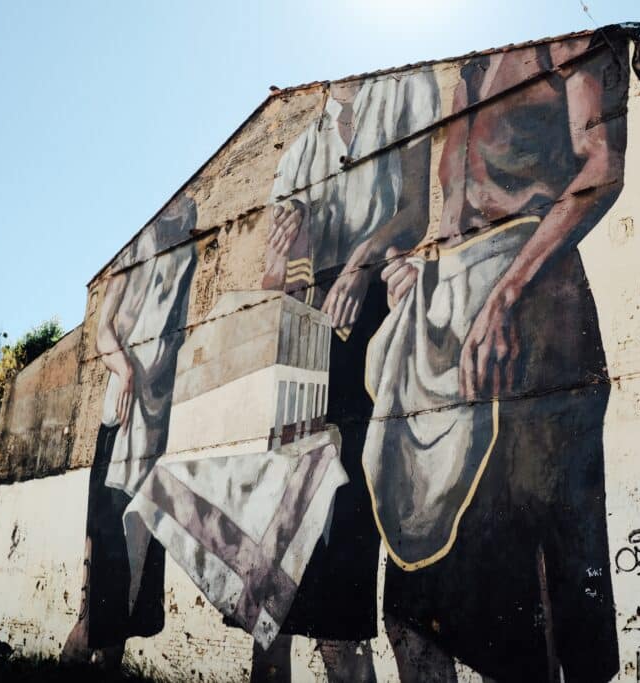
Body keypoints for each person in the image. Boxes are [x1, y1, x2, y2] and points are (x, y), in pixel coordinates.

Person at [365, 36, 628, 682]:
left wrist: (509, 292)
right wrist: (414, 269)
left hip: (540, 336)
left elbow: (602, 166)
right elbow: (454, 225)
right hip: (457, 337)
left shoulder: (569, 39)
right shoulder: (465, 76)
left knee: (530, 601)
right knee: (412, 601)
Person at [256, 70, 440, 682]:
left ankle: (344, 643)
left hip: (374, 327)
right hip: (306, 351)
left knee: (355, 512)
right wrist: (282, 259)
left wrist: (359, 263)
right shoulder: (297, 151)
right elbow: (274, 282)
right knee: (288, 524)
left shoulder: (407, 90)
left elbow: (414, 210)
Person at [62, 194, 198, 666]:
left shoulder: (188, 252)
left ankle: (109, 656)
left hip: (155, 427)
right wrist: (124, 369)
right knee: (106, 549)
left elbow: (175, 335)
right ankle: (86, 642)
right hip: (117, 419)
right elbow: (102, 332)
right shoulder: (128, 255)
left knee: (135, 552)